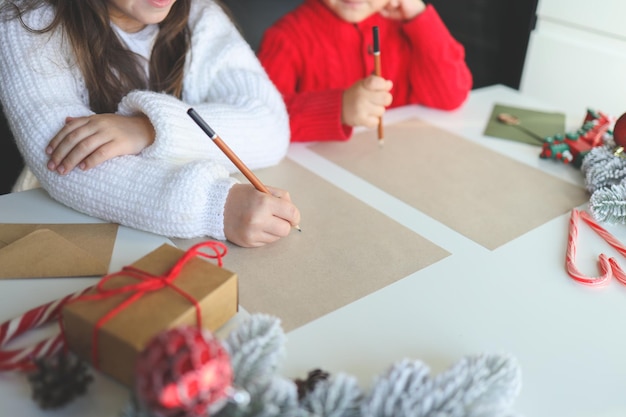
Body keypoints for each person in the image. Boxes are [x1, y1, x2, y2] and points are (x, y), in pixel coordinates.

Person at [0, 0, 301, 248]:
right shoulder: (24, 19)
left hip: (165, 241)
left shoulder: (199, 14)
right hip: (59, 236)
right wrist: (216, 205)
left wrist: (150, 129)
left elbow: (270, 126)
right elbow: (65, 162)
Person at [257, 0, 473, 142]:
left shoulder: (409, 23)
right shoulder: (287, 36)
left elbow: (452, 95)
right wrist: (339, 109)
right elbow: (260, 118)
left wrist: (419, 17)